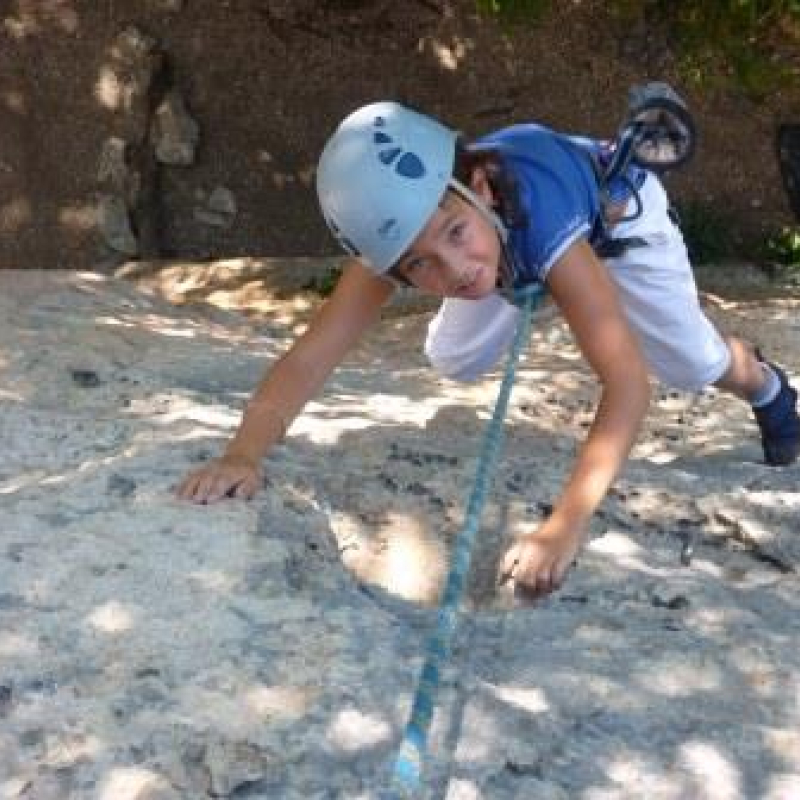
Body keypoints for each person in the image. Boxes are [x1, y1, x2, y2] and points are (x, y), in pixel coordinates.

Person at [176, 100, 800, 597]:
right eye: (419, 266)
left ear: (480, 185)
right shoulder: (406, 233)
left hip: (614, 221)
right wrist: (243, 454)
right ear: (390, 265)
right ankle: (539, 278)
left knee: (692, 363)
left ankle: (768, 386)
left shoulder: (532, 215)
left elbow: (628, 382)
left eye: (452, 233)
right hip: (511, 242)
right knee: (453, 358)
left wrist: (564, 526)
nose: (453, 269)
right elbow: (310, 356)